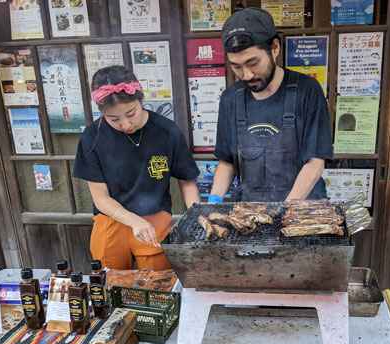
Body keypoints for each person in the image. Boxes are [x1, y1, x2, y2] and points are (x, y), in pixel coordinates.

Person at [73, 65, 200, 271]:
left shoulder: (166, 130)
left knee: (159, 289)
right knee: (111, 285)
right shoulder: (92, 137)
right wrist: (133, 221)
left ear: (140, 99)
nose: (126, 124)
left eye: (131, 113)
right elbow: (100, 197)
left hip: (155, 219)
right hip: (111, 220)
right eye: (113, 119)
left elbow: (187, 181)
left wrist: (196, 218)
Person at [208, 7, 333, 202]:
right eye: (236, 66)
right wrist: (214, 200)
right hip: (250, 208)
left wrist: (284, 212)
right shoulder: (230, 98)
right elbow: (227, 162)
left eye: (253, 62)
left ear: (274, 48)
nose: (246, 75)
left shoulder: (307, 90)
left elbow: (315, 162)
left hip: (301, 207)